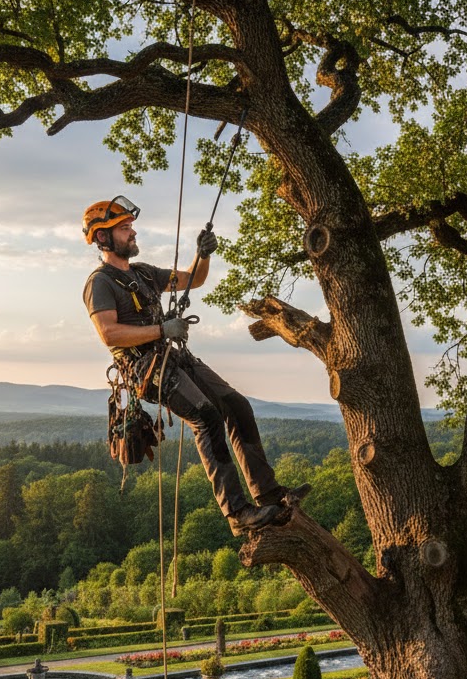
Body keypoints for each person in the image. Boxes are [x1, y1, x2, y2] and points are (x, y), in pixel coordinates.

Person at [81, 196, 309, 535]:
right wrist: (161, 329)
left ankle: (268, 493)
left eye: (130, 227)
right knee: (206, 417)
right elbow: (108, 333)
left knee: (237, 406)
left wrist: (203, 254)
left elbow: (193, 279)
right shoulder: (100, 282)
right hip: (146, 368)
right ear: (103, 238)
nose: (133, 233)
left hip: (173, 356)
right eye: (124, 229)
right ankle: (237, 513)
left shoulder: (143, 273)